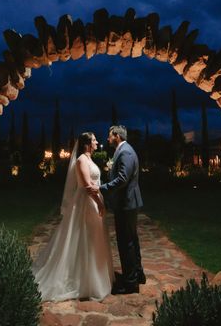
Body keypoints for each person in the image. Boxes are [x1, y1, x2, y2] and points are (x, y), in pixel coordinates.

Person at [32, 132, 114, 301]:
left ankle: (95, 276)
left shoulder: (89, 159)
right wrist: (99, 203)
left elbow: (94, 185)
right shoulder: (81, 160)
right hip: (86, 204)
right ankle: (85, 280)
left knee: (93, 239)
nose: (97, 142)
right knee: (85, 238)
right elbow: (87, 186)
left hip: (93, 202)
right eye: (94, 140)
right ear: (87, 144)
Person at [88, 125, 145, 294]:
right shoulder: (125, 150)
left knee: (125, 242)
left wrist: (102, 188)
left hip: (126, 203)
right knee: (132, 240)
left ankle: (130, 283)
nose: (107, 139)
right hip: (128, 203)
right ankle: (138, 274)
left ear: (117, 136)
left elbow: (122, 179)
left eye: (110, 136)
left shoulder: (125, 152)